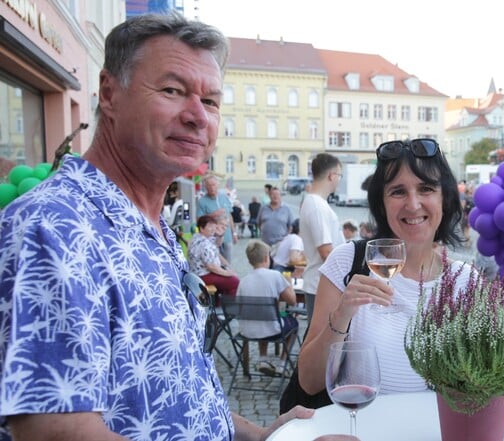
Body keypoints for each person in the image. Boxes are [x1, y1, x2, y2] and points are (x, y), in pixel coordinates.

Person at [0, 13, 320, 441]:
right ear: (110, 93)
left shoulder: (155, 228)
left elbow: (178, 388)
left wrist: (257, 435)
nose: (197, 117)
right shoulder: (54, 225)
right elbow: (57, 432)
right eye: (173, 90)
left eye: (210, 101)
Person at [297, 138, 470, 397]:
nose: (413, 204)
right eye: (398, 191)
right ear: (382, 203)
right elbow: (309, 381)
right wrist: (343, 314)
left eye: (426, 189)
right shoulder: (347, 262)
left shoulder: (465, 280)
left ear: (444, 200)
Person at [237, 240, 298, 376]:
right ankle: (282, 365)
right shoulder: (275, 276)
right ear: (266, 258)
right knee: (294, 325)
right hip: (272, 329)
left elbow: (240, 306)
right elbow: (293, 301)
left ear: (249, 261)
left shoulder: (243, 281)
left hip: (246, 330)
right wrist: (289, 284)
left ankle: (263, 359)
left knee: (261, 315)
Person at [299, 153, 344, 321]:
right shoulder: (316, 205)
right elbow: (326, 251)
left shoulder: (317, 203)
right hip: (322, 285)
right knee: (322, 339)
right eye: (339, 175)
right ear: (332, 176)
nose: (339, 180)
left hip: (323, 284)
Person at [189, 215, 240, 296]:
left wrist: (220, 234)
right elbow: (211, 267)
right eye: (210, 227)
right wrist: (228, 273)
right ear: (202, 228)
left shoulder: (199, 236)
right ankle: (229, 306)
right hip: (203, 275)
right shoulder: (203, 243)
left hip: (199, 273)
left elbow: (217, 244)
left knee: (229, 279)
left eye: (214, 226)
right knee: (234, 281)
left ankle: (219, 302)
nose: (213, 229)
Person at [198, 174, 237, 263]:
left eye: (213, 185)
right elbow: (199, 220)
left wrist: (234, 233)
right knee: (215, 262)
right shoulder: (202, 201)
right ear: (205, 187)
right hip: (212, 238)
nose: (211, 188)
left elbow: (229, 215)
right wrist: (213, 215)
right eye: (209, 185)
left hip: (227, 236)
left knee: (227, 263)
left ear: (218, 185)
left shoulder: (224, 197)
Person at [259, 186, 295, 265]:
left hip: (280, 244)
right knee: (265, 266)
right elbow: (259, 223)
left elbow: (291, 226)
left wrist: (286, 239)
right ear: (269, 196)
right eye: (273, 194)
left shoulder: (286, 209)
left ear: (280, 196)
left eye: (277, 194)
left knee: (278, 267)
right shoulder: (263, 208)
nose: (275, 196)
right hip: (265, 244)